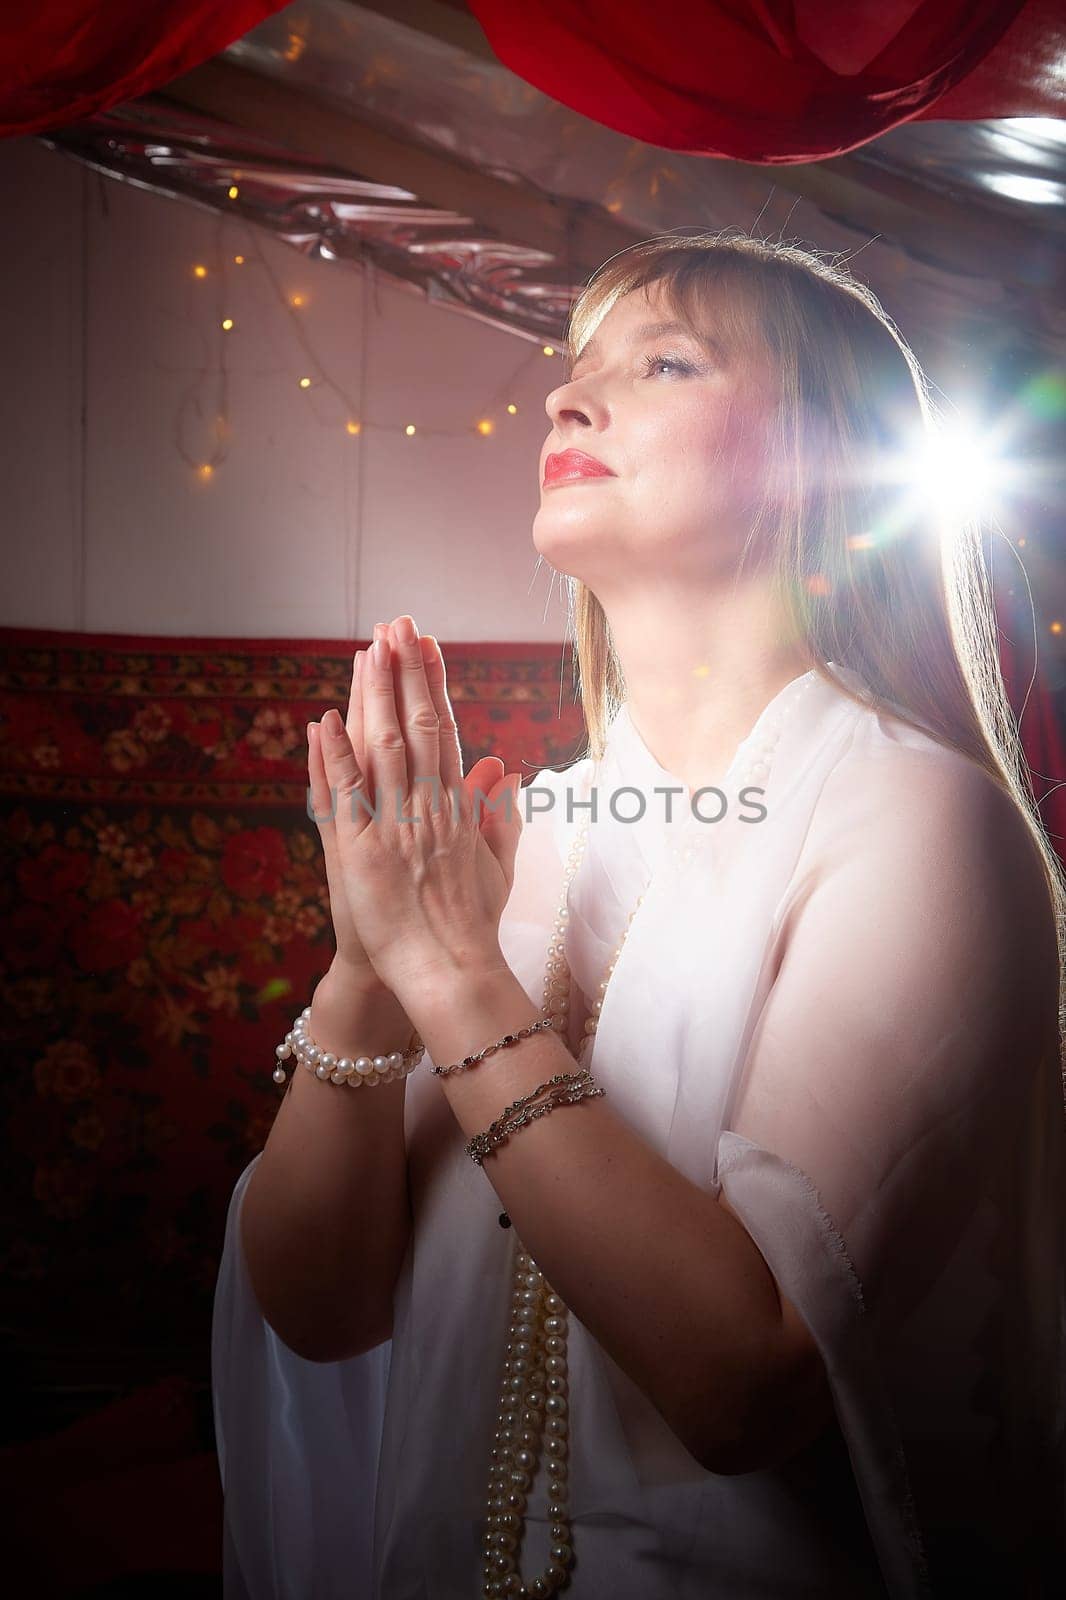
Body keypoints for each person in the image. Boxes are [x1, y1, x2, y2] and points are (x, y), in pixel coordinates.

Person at [212, 231, 1066, 1597]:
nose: (563, 400)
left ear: (823, 464)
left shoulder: (917, 819)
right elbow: (318, 1314)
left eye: (662, 361)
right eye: (573, 371)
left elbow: (745, 1385)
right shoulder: (516, 839)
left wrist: (449, 969)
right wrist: (367, 967)